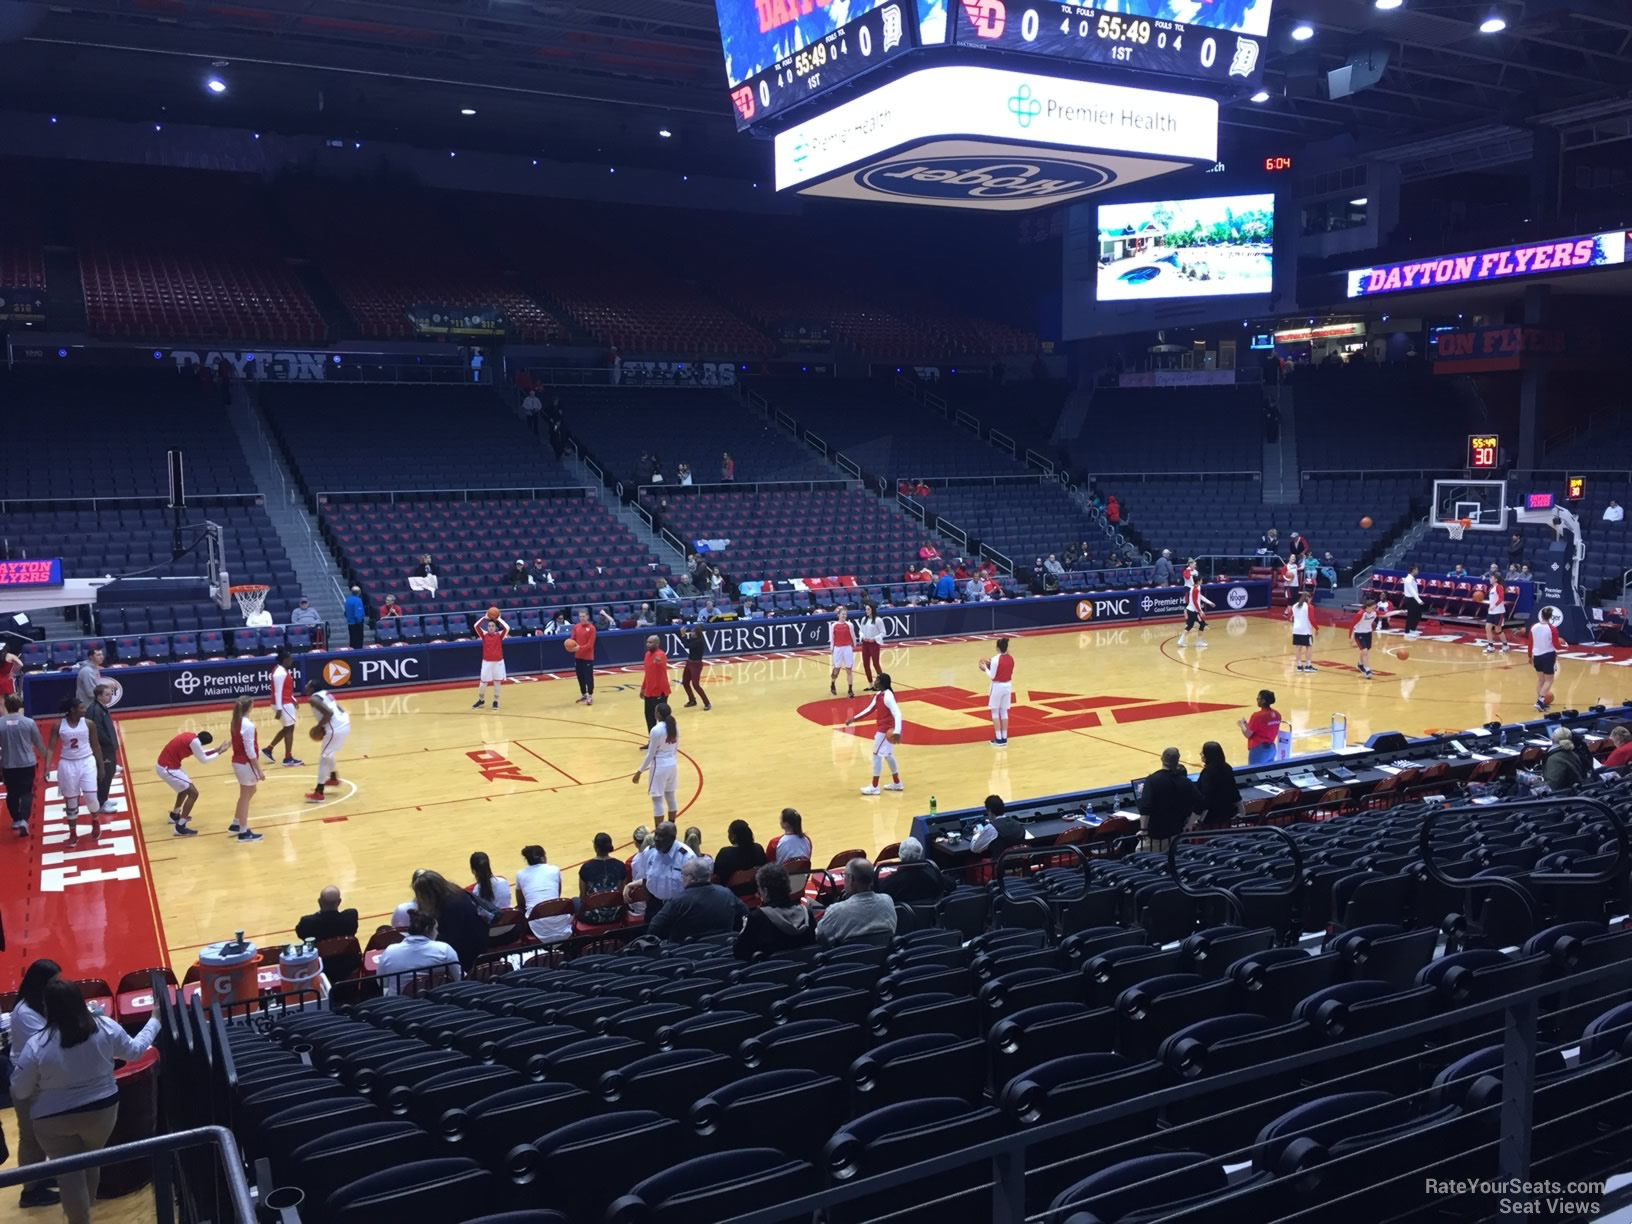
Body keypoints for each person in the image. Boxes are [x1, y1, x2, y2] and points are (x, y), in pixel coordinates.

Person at [11, 978, 161, 1224]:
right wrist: (155, 1020)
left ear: (48, 1008)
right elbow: (135, 1050)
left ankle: (79, 1218)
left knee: (69, 1174)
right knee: (92, 1159)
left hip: (52, 1121)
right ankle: (85, 1206)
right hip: (102, 1112)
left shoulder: (36, 1044)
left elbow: (20, 1090)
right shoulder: (105, 1027)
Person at [10, 958, 61, 1209]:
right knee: (29, 1138)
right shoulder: (25, 1013)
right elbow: (47, 1042)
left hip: (41, 1081)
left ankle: (40, 1175)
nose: (57, 986)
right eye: (53, 982)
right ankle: (30, 1191)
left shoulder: (41, 1004)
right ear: (40, 984)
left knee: (43, 1134)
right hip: (27, 1083)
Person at [49, 698, 104, 849]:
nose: (84, 710)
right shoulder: (59, 725)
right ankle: (73, 833)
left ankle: (95, 820)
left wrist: (101, 766)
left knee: (91, 797)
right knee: (71, 802)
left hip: (86, 761)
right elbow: (51, 748)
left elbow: (96, 745)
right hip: (67, 764)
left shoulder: (88, 724)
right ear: (73, 710)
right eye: (81, 708)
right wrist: (47, 768)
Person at [649, 857, 747, 943]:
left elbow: (654, 927)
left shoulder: (678, 900)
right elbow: (745, 914)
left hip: (688, 953)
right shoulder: (726, 893)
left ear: (692, 878)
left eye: (683, 875)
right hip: (724, 946)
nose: (681, 878)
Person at [734, 863, 813, 960]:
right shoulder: (807, 913)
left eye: (760, 889)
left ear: (765, 891)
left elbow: (739, 953)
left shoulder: (756, 918)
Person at [412, 869, 486, 970]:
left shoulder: (451, 906)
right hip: (471, 943)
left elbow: (450, 940)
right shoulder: (453, 893)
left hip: (469, 954)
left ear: (430, 893)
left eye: (421, 896)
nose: (419, 899)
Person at [375, 908, 462, 993]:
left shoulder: (390, 951)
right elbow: (458, 978)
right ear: (428, 929)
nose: (437, 933)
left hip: (400, 1004)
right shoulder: (444, 949)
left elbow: (382, 982)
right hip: (438, 1001)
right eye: (435, 929)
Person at [154, 727, 219, 836]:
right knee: (193, 793)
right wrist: (220, 752)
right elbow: (203, 760)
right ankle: (180, 826)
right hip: (168, 768)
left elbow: (201, 753)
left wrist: (217, 749)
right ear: (203, 743)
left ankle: (174, 815)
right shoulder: (195, 743)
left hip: (167, 765)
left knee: (184, 788)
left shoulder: (192, 736)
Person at [846, 672, 904, 796]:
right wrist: (854, 718)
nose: (875, 681)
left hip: (885, 731)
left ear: (882, 683)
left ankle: (874, 786)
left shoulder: (888, 696)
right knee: (888, 755)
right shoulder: (879, 695)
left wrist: (897, 731)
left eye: (877, 680)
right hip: (884, 730)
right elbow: (869, 709)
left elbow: (898, 713)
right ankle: (897, 783)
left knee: (876, 755)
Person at [816, 858, 897, 945]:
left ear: (851, 879)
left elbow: (820, 936)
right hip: (883, 955)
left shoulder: (836, 910)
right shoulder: (887, 901)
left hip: (847, 957)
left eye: (844, 875)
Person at [1138, 747, 1205, 851]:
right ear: (1177, 761)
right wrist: (1189, 824)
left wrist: (1143, 829)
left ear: (1161, 758)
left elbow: (1146, 807)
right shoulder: (1185, 781)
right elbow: (1201, 803)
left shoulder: (1152, 780)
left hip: (1156, 836)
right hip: (1178, 835)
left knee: (1138, 857)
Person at [627, 821, 694, 921]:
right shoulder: (649, 852)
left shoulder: (687, 857)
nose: (657, 839)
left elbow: (694, 888)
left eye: (661, 836)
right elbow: (645, 880)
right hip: (654, 905)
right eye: (656, 834)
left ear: (672, 838)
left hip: (678, 906)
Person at [1, 694, 47, 836]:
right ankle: (24, 820)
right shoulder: (28, 722)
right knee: (27, 792)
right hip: (27, 763)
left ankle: (16, 819)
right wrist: (47, 761)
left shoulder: (0, 723)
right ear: (20, 706)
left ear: (6, 707)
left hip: (8, 764)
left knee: (12, 792)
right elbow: (39, 743)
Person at [302, 679, 350, 802]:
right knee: (329, 753)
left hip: (335, 729)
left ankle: (319, 792)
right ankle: (333, 777)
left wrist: (319, 727)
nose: (305, 687)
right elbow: (339, 708)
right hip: (344, 722)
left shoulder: (313, 699)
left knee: (324, 757)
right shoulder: (326, 693)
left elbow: (328, 713)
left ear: (312, 689)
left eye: (307, 685)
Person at [226, 694, 264, 843]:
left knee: (249, 792)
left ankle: (236, 823)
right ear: (250, 707)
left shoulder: (236, 722)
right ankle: (243, 831)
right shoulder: (248, 725)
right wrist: (259, 770)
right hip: (245, 763)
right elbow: (250, 751)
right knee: (245, 796)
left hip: (239, 762)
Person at [633, 700, 680, 821]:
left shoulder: (656, 730)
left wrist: (639, 771)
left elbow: (650, 754)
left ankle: (660, 833)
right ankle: (671, 827)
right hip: (672, 764)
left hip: (660, 766)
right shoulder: (675, 726)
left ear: (658, 714)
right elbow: (675, 748)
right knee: (670, 796)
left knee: (657, 800)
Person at [515, 844, 572, 942]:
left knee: (517, 911)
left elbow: (521, 903)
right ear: (542, 858)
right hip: (560, 922)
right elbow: (557, 896)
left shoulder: (520, 874)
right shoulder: (555, 869)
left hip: (535, 925)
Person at [264, 648, 303, 768]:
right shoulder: (279, 673)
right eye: (290, 659)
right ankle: (288, 758)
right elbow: (278, 692)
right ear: (285, 660)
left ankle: (269, 749)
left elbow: (286, 689)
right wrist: (280, 709)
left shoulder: (281, 670)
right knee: (290, 729)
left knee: (287, 728)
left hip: (285, 701)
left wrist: (293, 699)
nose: (292, 661)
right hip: (282, 703)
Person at [578, 832, 627, 923]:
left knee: (575, 901)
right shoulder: (620, 865)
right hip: (617, 914)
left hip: (593, 916)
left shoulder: (586, 867)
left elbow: (582, 896)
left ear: (595, 847)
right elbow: (622, 892)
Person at [879, 837, 947, 903]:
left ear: (899, 855)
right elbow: (952, 884)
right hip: (931, 914)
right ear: (921, 854)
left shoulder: (889, 883)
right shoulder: (933, 873)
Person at [1195, 741, 1244, 829]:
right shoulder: (1227, 767)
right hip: (1227, 815)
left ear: (1208, 755)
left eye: (1203, 752)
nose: (1201, 754)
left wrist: (1200, 819)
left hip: (1211, 819)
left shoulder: (1207, 773)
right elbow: (1234, 791)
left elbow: (1206, 798)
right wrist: (1242, 812)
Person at [979, 637, 1016, 747]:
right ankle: (1004, 737)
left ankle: (998, 738)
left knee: (995, 712)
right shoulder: (1011, 659)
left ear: (997, 648)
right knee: (1004, 712)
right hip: (1008, 686)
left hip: (997, 686)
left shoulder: (995, 659)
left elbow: (992, 676)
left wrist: (985, 668)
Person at [472, 608, 510, 710]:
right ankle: (481, 699)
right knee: (483, 683)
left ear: (495, 627)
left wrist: (498, 619)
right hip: (486, 662)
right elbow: (476, 626)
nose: (491, 627)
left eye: (493, 626)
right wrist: (485, 617)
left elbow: (507, 628)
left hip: (498, 662)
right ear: (487, 627)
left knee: (497, 682)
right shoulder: (484, 635)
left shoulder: (500, 635)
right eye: (489, 626)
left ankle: (495, 701)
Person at [1529, 605, 1564, 713]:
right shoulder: (1552, 629)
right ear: (1550, 617)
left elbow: (1530, 643)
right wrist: (1565, 646)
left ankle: (1541, 702)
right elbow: (1557, 645)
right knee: (1549, 680)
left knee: (1540, 680)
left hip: (1537, 655)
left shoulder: (1534, 627)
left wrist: (1529, 656)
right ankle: (1540, 702)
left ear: (1541, 615)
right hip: (1548, 655)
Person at [713, 819, 766, 886]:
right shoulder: (758, 848)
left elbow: (718, 878)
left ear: (733, 837)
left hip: (733, 893)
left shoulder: (725, 854)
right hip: (755, 890)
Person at [1349, 593, 1389, 679]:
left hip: (1368, 633)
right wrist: (1351, 637)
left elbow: (1385, 614)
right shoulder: (1360, 614)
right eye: (1373, 607)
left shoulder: (1374, 613)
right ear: (1368, 607)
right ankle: (1367, 670)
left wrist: (1400, 611)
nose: (1375, 609)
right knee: (1365, 651)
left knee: (1365, 651)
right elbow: (1352, 625)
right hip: (1359, 633)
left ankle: (1360, 664)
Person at [1175, 561, 1214, 649]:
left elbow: (1200, 597)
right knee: (1202, 624)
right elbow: (1195, 601)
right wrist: (1200, 611)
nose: (1202, 581)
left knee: (1190, 625)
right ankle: (1199, 641)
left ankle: (1181, 640)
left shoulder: (1196, 587)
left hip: (1191, 609)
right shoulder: (1194, 589)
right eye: (1201, 580)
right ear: (1198, 581)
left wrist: (1209, 602)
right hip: (1193, 610)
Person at [1238, 690, 1282, 766]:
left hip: (1259, 750)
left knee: (1254, 773)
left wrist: (1242, 725)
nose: (1257, 700)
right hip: (1271, 748)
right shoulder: (1277, 714)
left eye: (1258, 698)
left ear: (1263, 701)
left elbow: (1248, 734)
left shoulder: (1257, 716)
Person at [640, 634, 672, 735]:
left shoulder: (661, 654)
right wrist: (643, 688)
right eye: (647, 642)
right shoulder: (647, 655)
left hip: (660, 692)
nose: (647, 644)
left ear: (657, 644)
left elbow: (660, 659)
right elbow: (647, 674)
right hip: (649, 692)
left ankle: (666, 740)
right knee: (649, 717)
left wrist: (658, 661)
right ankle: (653, 740)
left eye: (650, 642)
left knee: (662, 719)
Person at [468, 850, 513, 917]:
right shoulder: (503, 881)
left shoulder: (476, 891)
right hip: (510, 920)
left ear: (473, 871)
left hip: (493, 925)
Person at [1542, 725, 1587, 791]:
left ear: (1553, 739)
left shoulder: (1554, 759)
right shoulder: (1573, 753)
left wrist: (1537, 783)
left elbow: (1552, 785)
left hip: (1562, 795)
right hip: (1574, 790)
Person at [570, 607, 598, 707]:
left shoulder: (592, 628)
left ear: (587, 617)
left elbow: (590, 645)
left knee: (588, 677)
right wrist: (570, 645)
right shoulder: (576, 627)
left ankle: (590, 695)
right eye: (580, 616)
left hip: (588, 657)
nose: (582, 618)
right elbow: (572, 639)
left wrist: (578, 648)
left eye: (583, 616)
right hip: (578, 657)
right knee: (580, 677)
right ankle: (583, 694)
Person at [679, 622, 710, 711]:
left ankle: (707, 703)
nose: (691, 633)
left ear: (697, 634)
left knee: (695, 685)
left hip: (696, 665)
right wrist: (684, 636)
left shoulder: (699, 641)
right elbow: (686, 642)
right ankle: (692, 700)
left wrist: (683, 635)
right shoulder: (694, 638)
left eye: (693, 632)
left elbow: (686, 645)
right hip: (689, 663)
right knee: (685, 682)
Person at [828, 605, 856, 698]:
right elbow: (832, 638)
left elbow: (853, 636)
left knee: (849, 669)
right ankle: (832, 684)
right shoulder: (834, 625)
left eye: (845, 614)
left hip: (847, 648)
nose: (844, 616)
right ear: (838, 615)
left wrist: (854, 646)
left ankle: (850, 689)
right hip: (838, 648)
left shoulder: (849, 625)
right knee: (837, 668)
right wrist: (832, 649)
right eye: (842, 614)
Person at [857, 604, 887, 684]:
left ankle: (882, 682)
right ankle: (870, 683)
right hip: (865, 644)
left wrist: (874, 638)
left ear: (872, 610)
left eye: (868, 609)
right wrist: (862, 636)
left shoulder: (878, 620)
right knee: (866, 664)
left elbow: (883, 633)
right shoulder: (864, 619)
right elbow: (861, 631)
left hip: (874, 644)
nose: (866, 611)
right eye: (866, 609)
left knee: (875, 663)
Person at [1288, 591, 1316, 674]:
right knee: (1309, 647)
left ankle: (1299, 666)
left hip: (1296, 630)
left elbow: (1289, 617)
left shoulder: (1295, 606)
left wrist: (1297, 621)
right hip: (1306, 630)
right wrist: (1317, 628)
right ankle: (1308, 665)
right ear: (1308, 598)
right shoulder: (1309, 606)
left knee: (1298, 648)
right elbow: (1312, 619)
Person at [1482, 573, 1510, 654]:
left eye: (1491, 578)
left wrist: (1494, 605)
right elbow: (1493, 599)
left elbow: (1501, 598)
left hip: (1499, 611)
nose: (1490, 579)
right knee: (1487, 628)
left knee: (1498, 630)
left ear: (1496, 579)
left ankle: (1505, 645)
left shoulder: (1499, 587)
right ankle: (1490, 646)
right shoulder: (1492, 588)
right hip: (1491, 611)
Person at [73, 646, 103, 710]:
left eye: (102, 654)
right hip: (86, 707)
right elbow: (91, 692)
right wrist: (104, 693)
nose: (102, 657)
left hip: (93, 705)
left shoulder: (95, 669)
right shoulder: (87, 671)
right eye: (98, 655)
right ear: (91, 657)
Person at [1401, 564, 1425, 637]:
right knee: (1411, 615)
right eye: (1417, 570)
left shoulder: (1412, 579)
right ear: (1413, 570)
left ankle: (1412, 629)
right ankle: (1407, 631)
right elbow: (1412, 591)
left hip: (1413, 599)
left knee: (1417, 614)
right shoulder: (1408, 580)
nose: (1418, 571)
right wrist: (1419, 600)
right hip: (1410, 599)